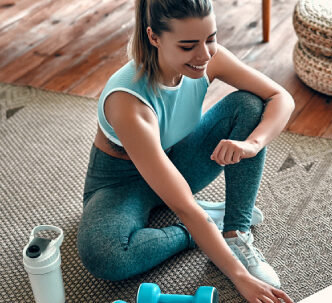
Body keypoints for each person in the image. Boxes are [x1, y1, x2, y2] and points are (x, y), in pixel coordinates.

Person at [76, 0, 295, 302]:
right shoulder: (128, 102)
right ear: (154, 37)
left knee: (249, 106)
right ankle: (202, 229)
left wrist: (251, 144)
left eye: (210, 38)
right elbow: (183, 204)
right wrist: (239, 277)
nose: (204, 54)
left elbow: (280, 97)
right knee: (106, 255)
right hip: (120, 183)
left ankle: (235, 232)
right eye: (188, 45)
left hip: (175, 160)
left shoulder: (208, 58)